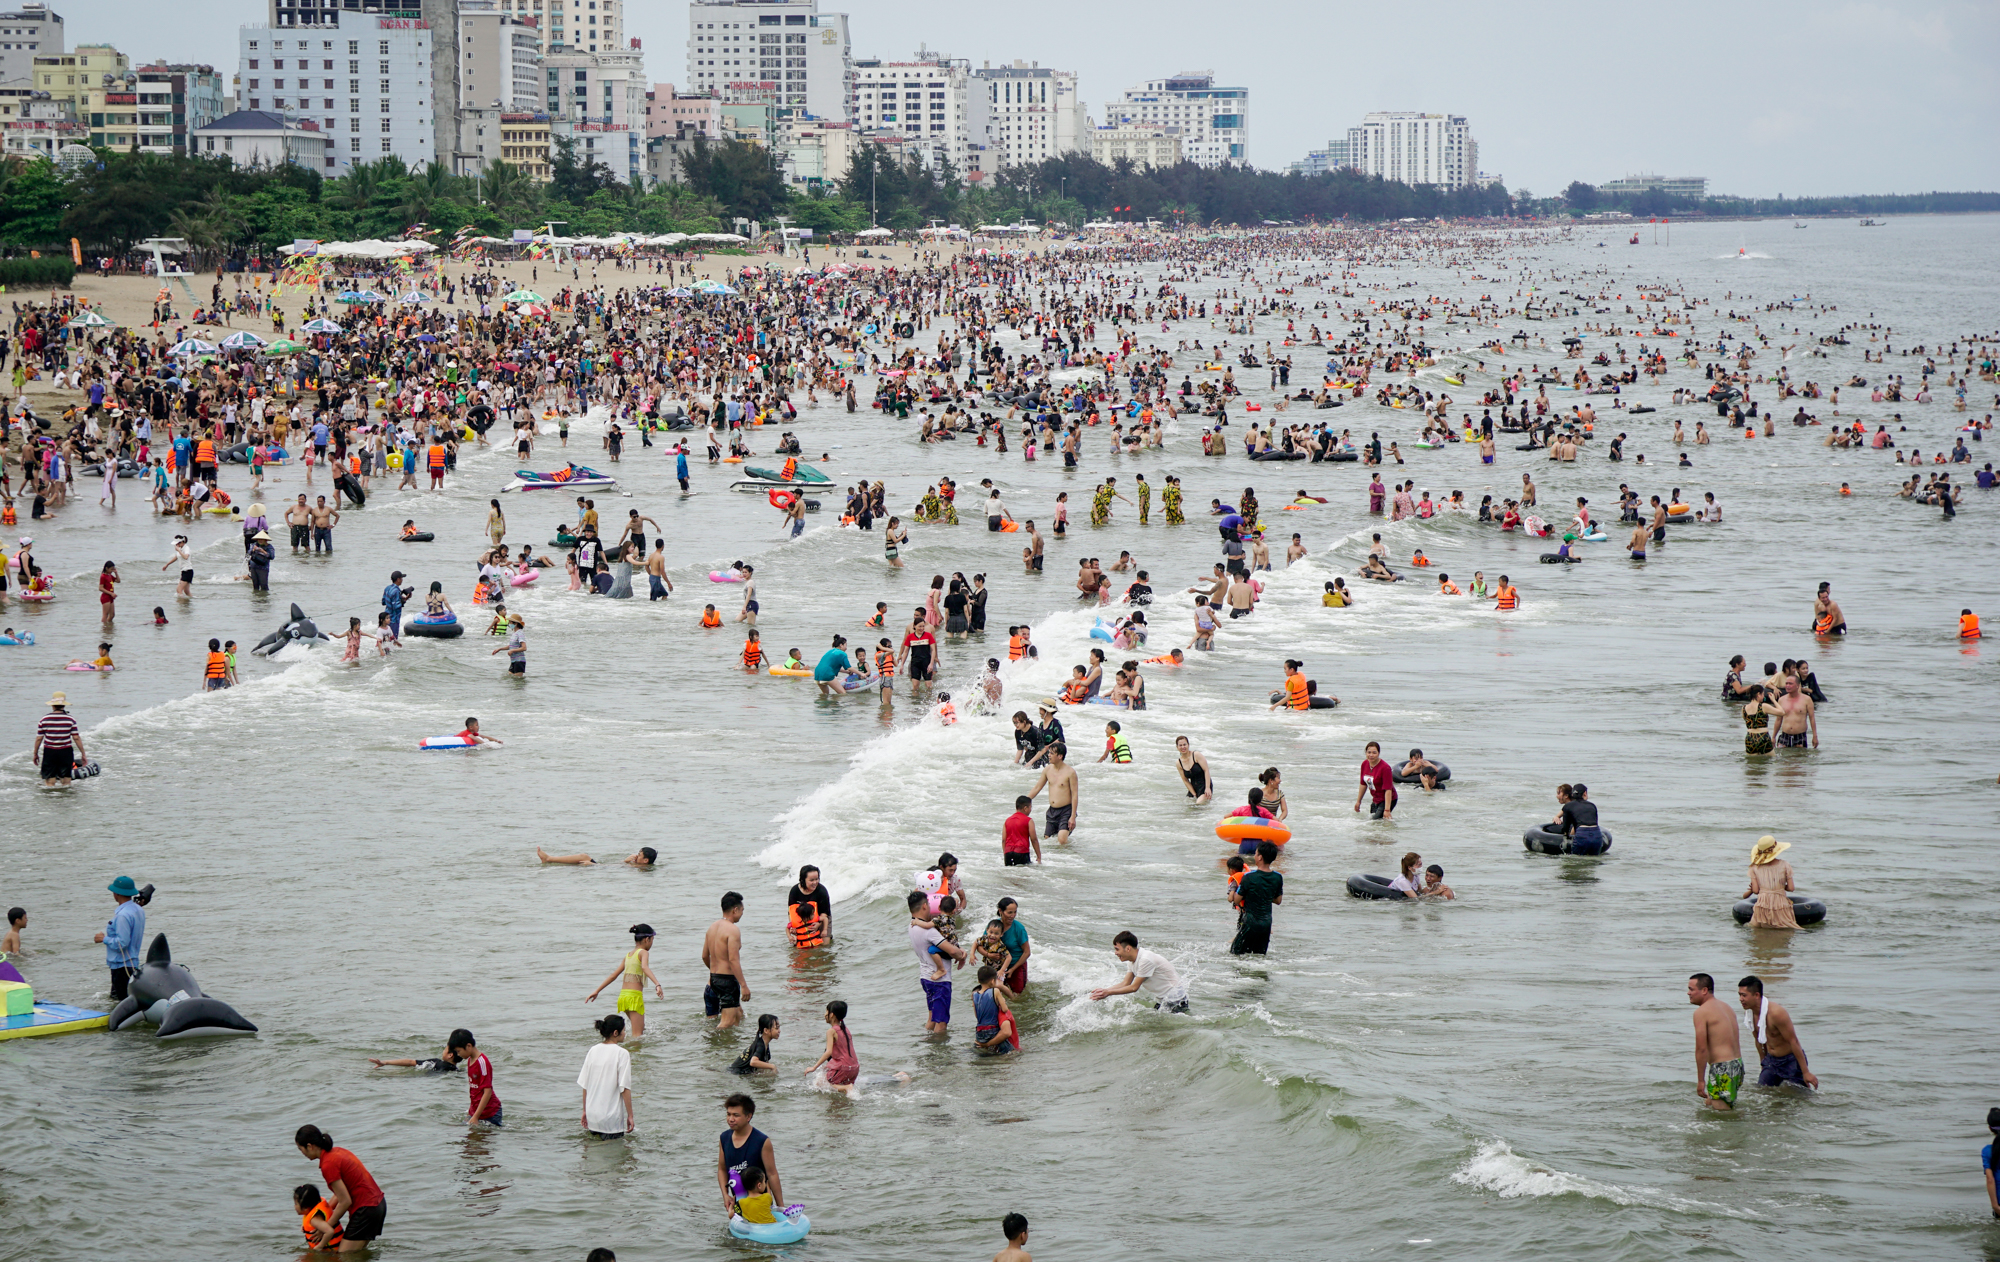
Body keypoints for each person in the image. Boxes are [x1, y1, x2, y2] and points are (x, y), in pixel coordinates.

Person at [293, 1125, 385, 1252]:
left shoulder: (328, 1164)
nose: (302, 1153)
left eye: (300, 1149)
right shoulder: (336, 1152)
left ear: (309, 1146)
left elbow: (345, 1201)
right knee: (357, 1256)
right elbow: (341, 1192)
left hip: (366, 1209)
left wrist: (324, 1229)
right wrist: (323, 1215)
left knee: (343, 1256)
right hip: (377, 1205)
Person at [1737, 975, 1818, 1090]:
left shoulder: (1776, 1013)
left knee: (1799, 1098)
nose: (1741, 999)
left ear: (1756, 995)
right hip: (1771, 1062)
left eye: (1744, 995)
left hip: (1790, 1061)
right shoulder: (1750, 1014)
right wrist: (1763, 1064)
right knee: (1762, 1092)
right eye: (1739, 995)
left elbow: (1793, 1041)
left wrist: (1806, 1072)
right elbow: (1759, 1041)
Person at [584, 923, 663, 1036]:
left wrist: (597, 991)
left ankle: (627, 1047)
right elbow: (645, 967)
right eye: (652, 939)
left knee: (640, 1030)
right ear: (647, 939)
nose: (652, 943)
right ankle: (629, 1051)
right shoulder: (643, 952)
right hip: (634, 997)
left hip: (623, 997)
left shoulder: (628, 955)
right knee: (638, 1036)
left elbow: (613, 976)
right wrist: (657, 984)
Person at [910, 889, 968, 1033]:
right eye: (928, 904)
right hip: (940, 982)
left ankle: (927, 1044)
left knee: (932, 1018)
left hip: (925, 978)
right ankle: (937, 1054)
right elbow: (953, 951)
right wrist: (962, 955)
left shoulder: (912, 927)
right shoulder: (930, 932)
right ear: (924, 906)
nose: (931, 907)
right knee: (941, 1022)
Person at [1088, 930, 1188, 1013]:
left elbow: (1133, 987)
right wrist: (1103, 990)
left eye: (1117, 949)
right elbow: (1125, 983)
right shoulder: (1132, 960)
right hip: (1164, 1000)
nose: (1115, 953)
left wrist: (1108, 992)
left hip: (1175, 1000)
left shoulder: (1146, 959)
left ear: (1128, 948)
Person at [718, 1094, 784, 1218]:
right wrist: (725, 1195)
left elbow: (772, 1174)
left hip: (761, 1204)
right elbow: (722, 1169)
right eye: (728, 1114)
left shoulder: (762, 1141)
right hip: (739, 1203)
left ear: (748, 1116)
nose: (730, 1119)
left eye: (736, 1115)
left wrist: (781, 1208)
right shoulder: (724, 1138)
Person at [1688, 973, 1743, 1112]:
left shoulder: (1701, 1012)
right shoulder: (1726, 1007)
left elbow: (1701, 1049)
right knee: (1709, 1106)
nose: (1688, 993)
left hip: (1722, 1069)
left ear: (1704, 990)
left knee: (1724, 1118)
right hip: (1737, 1065)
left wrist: (1700, 1080)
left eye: (1691, 989)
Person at [578, 1014, 634, 1138]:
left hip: (592, 1116)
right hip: (610, 1119)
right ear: (615, 1033)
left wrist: (585, 1110)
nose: (625, 1033)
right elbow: (624, 1088)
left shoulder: (593, 1050)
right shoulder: (622, 1053)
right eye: (624, 1030)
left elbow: (585, 1085)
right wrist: (630, 1115)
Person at [93, 874, 145, 999]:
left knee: (121, 1002)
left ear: (117, 894)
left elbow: (122, 943)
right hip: (132, 963)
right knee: (123, 999)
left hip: (122, 967)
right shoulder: (138, 909)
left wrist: (103, 939)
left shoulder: (123, 916)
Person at [703, 892, 749, 1029]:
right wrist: (744, 985)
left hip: (712, 980)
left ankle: (730, 1047)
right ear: (735, 909)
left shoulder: (712, 927)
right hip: (727, 981)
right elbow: (733, 960)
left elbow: (704, 956)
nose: (742, 914)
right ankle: (710, 1045)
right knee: (727, 1022)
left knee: (738, 1014)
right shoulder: (733, 930)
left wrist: (715, 972)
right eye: (742, 910)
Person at [802, 999, 868, 1095]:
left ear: (832, 1014)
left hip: (844, 1068)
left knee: (820, 1083)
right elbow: (843, 1054)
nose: (825, 1014)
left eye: (826, 1011)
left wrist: (814, 1067)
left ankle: (847, 1087)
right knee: (840, 1094)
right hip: (855, 1068)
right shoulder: (845, 1029)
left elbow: (828, 1052)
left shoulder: (831, 1031)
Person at [1230, 841, 1284, 955]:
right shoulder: (1278, 877)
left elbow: (1237, 900)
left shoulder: (1248, 877)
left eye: (1255, 853)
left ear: (1260, 857)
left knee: (1235, 954)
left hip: (1250, 922)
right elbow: (1278, 900)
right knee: (1259, 956)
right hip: (1266, 924)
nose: (1254, 855)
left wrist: (1233, 888)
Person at [1027, 742, 1079, 846]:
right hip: (1052, 811)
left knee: (1062, 840)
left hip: (1066, 810)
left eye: (1051, 753)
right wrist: (1024, 802)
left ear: (1060, 756)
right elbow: (1037, 787)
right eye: (1049, 752)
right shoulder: (1047, 770)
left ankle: (1070, 859)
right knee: (1048, 841)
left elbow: (1074, 795)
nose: (1048, 755)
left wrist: (1072, 816)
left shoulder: (1070, 772)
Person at [1743, 835, 1800, 929]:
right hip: (1780, 904)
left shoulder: (1754, 867)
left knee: (1758, 933)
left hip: (1763, 904)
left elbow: (1756, 890)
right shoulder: (1785, 865)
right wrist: (1780, 886)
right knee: (1784, 932)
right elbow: (1791, 888)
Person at [33, 691, 84, 787]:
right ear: (64, 705)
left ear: (52, 705)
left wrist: (35, 753)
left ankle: (52, 801)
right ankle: (65, 801)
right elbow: (76, 737)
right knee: (66, 781)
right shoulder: (71, 719)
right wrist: (83, 754)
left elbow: (39, 738)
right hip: (66, 752)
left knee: (50, 782)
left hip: (50, 752)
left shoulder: (44, 719)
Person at [971, 965, 1017, 1054]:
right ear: (992, 981)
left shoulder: (974, 995)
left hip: (979, 1031)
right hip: (992, 1030)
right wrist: (1001, 1002)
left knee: (983, 1052)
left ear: (978, 980)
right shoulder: (995, 991)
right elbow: (1004, 1009)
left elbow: (977, 1015)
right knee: (1011, 1051)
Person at [294, 1183, 345, 1254]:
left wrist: (320, 1246)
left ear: (305, 1207)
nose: (294, 1206)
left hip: (330, 1252)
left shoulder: (314, 1219)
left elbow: (330, 1231)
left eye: (296, 1203)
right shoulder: (314, 1211)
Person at [787, 865, 833, 942]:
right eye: (811, 880)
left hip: (821, 919)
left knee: (824, 946)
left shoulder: (822, 891)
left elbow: (824, 913)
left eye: (817, 879)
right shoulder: (795, 891)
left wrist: (818, 924)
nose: (815, 882)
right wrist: (794, 927)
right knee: (801, 947)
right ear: (803, 880)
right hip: (801, 920)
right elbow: (791, 912)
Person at [1353, 741, 1396, 821]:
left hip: (1388, 799)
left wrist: (1387, 810)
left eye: (1374, 753)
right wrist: (1358, 801)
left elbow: (1388, 789)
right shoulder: (1365, 764)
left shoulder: (1385, 768)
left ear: (1378, 753)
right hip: (1376, 798)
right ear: (1365, 753)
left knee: (1374, 821)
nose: (1371, 755)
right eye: (1369, 752)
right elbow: (1363, 784)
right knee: (1373, 822)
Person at [1774, 675, 1818, 749]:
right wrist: (1773, 737)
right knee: (1782, 759)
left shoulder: (1807, 699)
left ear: (1797, 686)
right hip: (1785, 735)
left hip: (1800, 736)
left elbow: (1812, 718)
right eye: (1786, 683)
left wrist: (1815, 736)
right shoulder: (1781, 700)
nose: (1787, 686)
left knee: (1799, 759)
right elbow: (1778, 719)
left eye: (1790, 684)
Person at [997, 897, 1030, 994]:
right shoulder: (995, 925)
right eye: (1009, 912)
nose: (1013, 916)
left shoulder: (1019, 928)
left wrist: (1012, 969)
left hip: (1017, 966)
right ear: (1000, 911)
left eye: (1015, 912)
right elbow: (981, 943)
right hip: (998, 966)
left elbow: (1027, 952)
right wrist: (988, 955)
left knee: (1017, 995)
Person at [1560, 782, 1606, 854]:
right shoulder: (1592, 805)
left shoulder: (1568, 806)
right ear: (1585, 793)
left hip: (1582, 834)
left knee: (1576, 861)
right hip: (1596, 834)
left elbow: (1566, 826)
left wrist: (1565, 836)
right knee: (1593, 862)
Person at [1002, 795, 1041, 866]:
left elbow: (1003, 840)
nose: (1031, 810)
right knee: (1023, 875)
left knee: (1009, 875)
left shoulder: (1007, 820)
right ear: (1025, 808)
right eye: (1030, 807)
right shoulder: (1028, 820)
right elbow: (1034, 839)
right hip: (1021, 852)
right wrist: (1039, 856)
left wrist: (1005, 853)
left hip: (1008, 852)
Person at [1174, 736, 1214, 804]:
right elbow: (1185, 780)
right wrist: (1194, 794)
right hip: (1193, 788)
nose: (1183, 747)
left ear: (1188, 745)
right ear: (1177, 747)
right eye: (1180, 745)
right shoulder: (1179, 763)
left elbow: (1206, 770)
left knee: (1198, 804)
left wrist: (1207, 788)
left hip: (1204, 786)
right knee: (1187, 804)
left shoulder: (1196, 755)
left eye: (1184, 744)